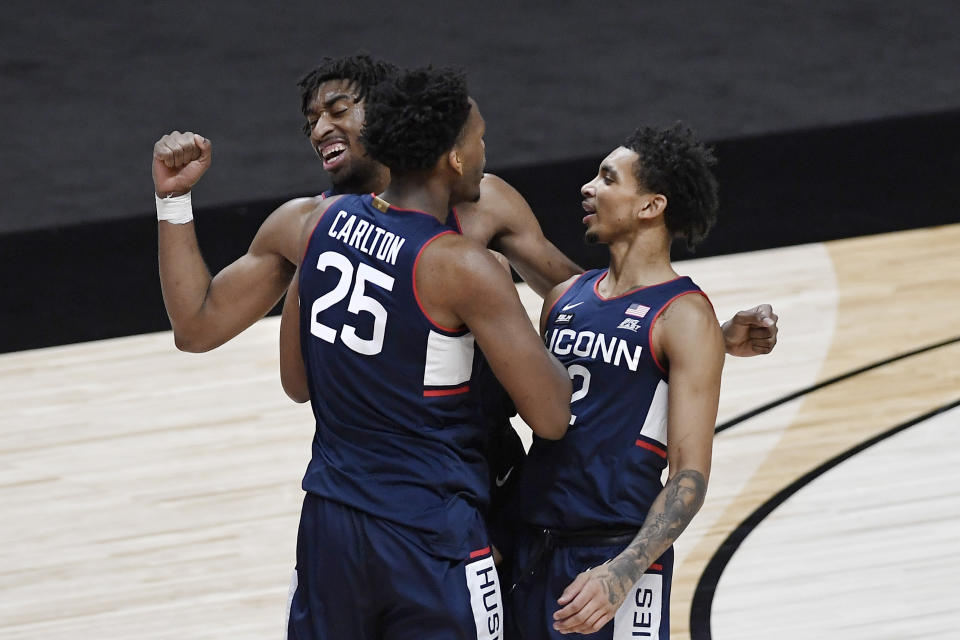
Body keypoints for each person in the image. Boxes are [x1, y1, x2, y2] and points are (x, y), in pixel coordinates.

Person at [276, 66, 573, 638]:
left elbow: (296, 381)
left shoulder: (319, 224)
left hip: (332, 519)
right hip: (430, 530)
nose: (484, 151)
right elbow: (552, 417)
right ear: (454, 159)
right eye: (479, 139)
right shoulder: (465, 265)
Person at [506, 123, 726, 639]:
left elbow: (689, 478)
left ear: (651, 205)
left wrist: (624, 571)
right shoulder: (564, 298)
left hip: (612, 555)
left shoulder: (684, 316)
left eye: (607, 179)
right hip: (530, 547)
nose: (589, 188)